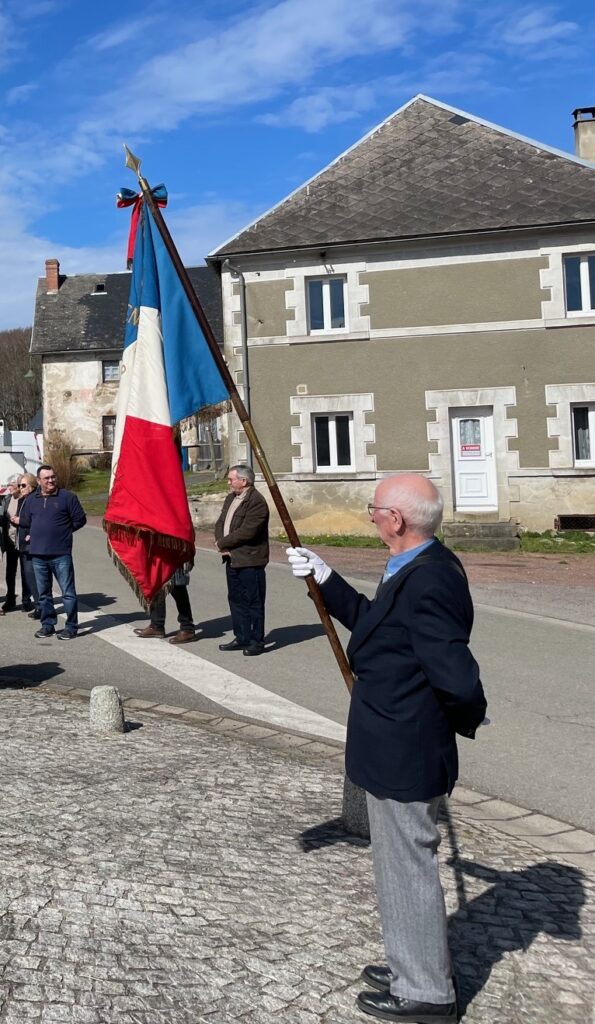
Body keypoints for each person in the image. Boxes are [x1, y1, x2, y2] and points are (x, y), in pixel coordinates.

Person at [287, 474, 487, 1024]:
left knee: (407, 871)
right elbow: (380, 628)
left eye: (374, 508)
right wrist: (326, 580)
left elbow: (458, 677)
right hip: (391, 742)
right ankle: (412, 965)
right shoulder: (413, 566)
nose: (370, 515)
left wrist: (467, 715)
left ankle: (426, 994)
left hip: (407, 748)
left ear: (396, 520)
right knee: (395, 868)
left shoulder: (430, 581)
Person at [18, 464, 87, 640]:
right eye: (46, 478)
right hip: (38, 555)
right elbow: (26, 521)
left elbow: (80, 519)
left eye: (53, 477)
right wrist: (30, 534)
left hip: (61, 554)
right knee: (43, 594)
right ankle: (47, 625)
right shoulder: (32, 500)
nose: (51, 480)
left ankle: (71, 626)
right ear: (39, 480)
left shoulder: (67, 497)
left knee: (68, 593)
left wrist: (64, 531)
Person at [214, 464, 269, 656]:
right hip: (232, 558)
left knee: (253, 601)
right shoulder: (232, 498)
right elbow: (221, 521)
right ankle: (242, 636)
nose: (229, 483)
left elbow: (248, 531)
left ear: (244, 481)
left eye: (231, 479)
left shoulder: (257, 502)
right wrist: (221, 541)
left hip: (250, 560)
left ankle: (256, 641)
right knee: (236, 599)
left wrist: (223, 542)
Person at [134, 561, 196, 644]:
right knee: (156, 583)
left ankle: (187, 628)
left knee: (177, 586)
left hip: (174, 552)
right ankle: (157, 625)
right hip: (158, 552)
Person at [1, 474, 33, 613]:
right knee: (10, 572)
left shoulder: (25, 500)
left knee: (26, 572)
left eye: (13, 484)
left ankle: (27, 600)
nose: (11, 487)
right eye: (9, 484)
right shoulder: (7, 499)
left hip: (23, 540)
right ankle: (10, 599)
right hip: (9, 541)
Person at [14, 473, 41, 620]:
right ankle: (37, 604)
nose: (21, 488)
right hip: (23, 544)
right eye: (19, 485)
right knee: (28, 576)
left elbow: (36, 520)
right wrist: (15, 520)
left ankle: (40, 606)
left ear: (32, 485)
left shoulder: (35, 499)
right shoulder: (22, 500)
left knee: (33, 576)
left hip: (31, 544)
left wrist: (20, 521)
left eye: (23, 485)